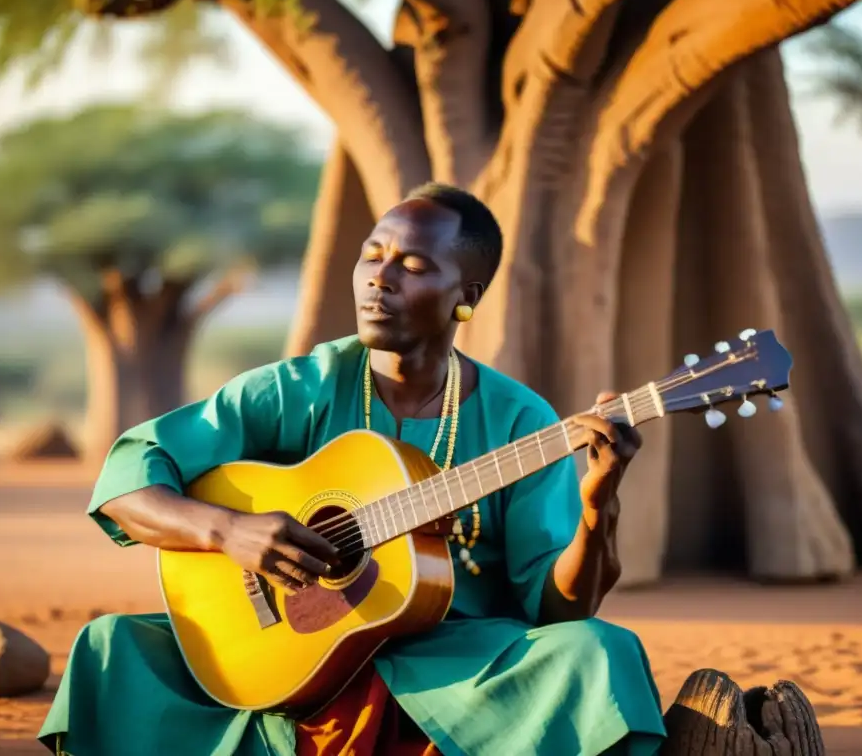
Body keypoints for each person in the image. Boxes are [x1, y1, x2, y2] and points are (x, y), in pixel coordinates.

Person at [38, 183, 667, 756]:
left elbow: (560, 613)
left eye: (413, 267)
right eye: (373, 256)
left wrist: (596, 505)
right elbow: (131, 476)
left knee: (601, 651)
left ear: (466, 299)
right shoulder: (303, 386)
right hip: (285, 647)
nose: (379, 280)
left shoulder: (520, 420)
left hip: (453, 669)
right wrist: (229, 530)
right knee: (110, 647)